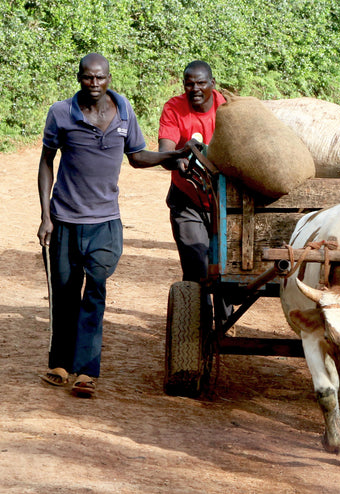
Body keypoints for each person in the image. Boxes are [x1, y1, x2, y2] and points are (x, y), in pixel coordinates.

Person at [37, 53, 193, 396]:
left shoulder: (124, 112)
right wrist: (46, 216)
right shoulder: (61, 114)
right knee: (64, 294)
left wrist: (172, 156)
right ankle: (60, 364)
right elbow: (46, 162)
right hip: (64, 221)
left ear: (109, 78)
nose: (94, 84)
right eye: (88, 78)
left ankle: (87, 372)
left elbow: (137, 157)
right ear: (79, 78)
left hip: (106, 224)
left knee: (95, 290)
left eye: (100, 78)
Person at [158, 60, 231, 321]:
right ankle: (198, 326)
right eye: (189, 84)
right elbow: (164, 151)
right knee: (195, 266)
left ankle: (225, 320)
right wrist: (178, 158)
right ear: (184, 86)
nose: (195, 89)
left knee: (225, 267)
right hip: (187, 198)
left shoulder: (228, 109)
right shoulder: (174, 108)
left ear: (212, 83)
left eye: (201, 83)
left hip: (224, 201)